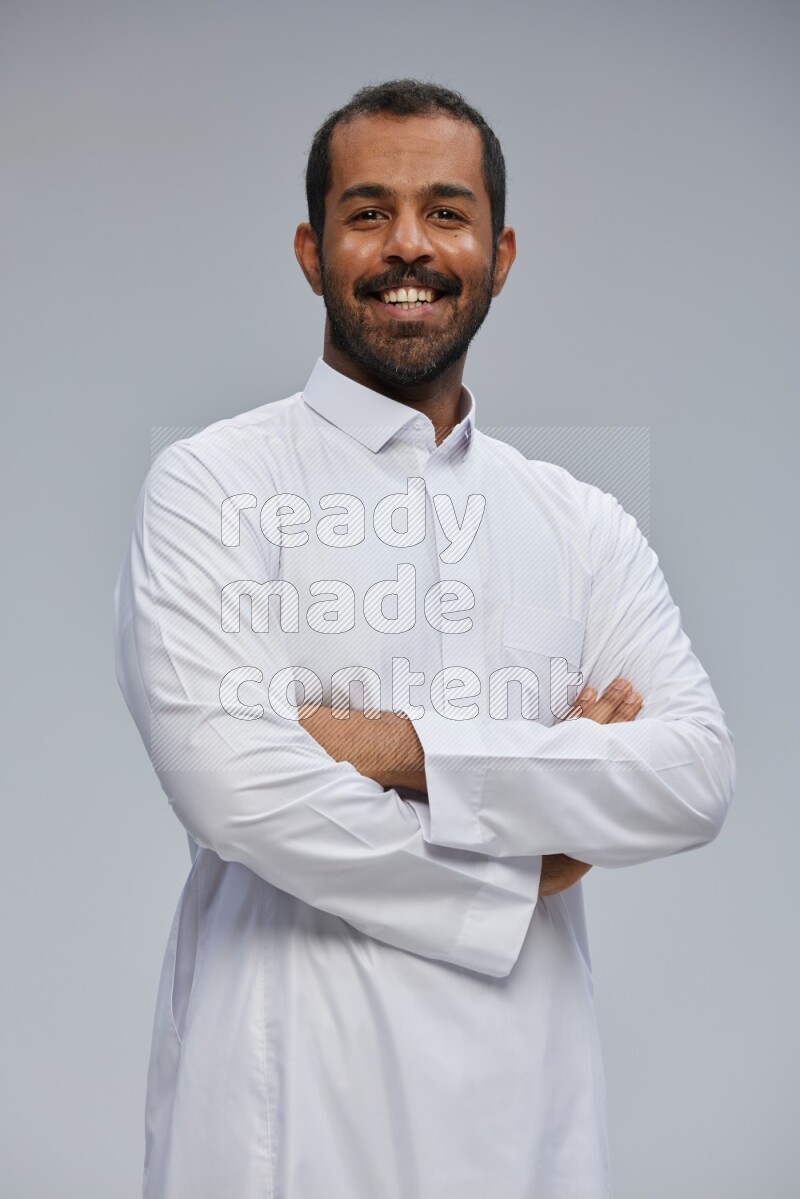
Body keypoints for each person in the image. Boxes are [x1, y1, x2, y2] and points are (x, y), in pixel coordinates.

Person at [113, 79, 735, 1199]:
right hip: (282, 1101)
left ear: (498, 251)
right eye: (368, 212)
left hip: (525, 1103)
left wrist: (387, 748)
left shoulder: (578, 521)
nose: (409, 245)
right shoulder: (212, 484)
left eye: (445, 212)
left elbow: (689, 775)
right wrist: (533, 837)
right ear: (311, 249)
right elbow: (234, 784)